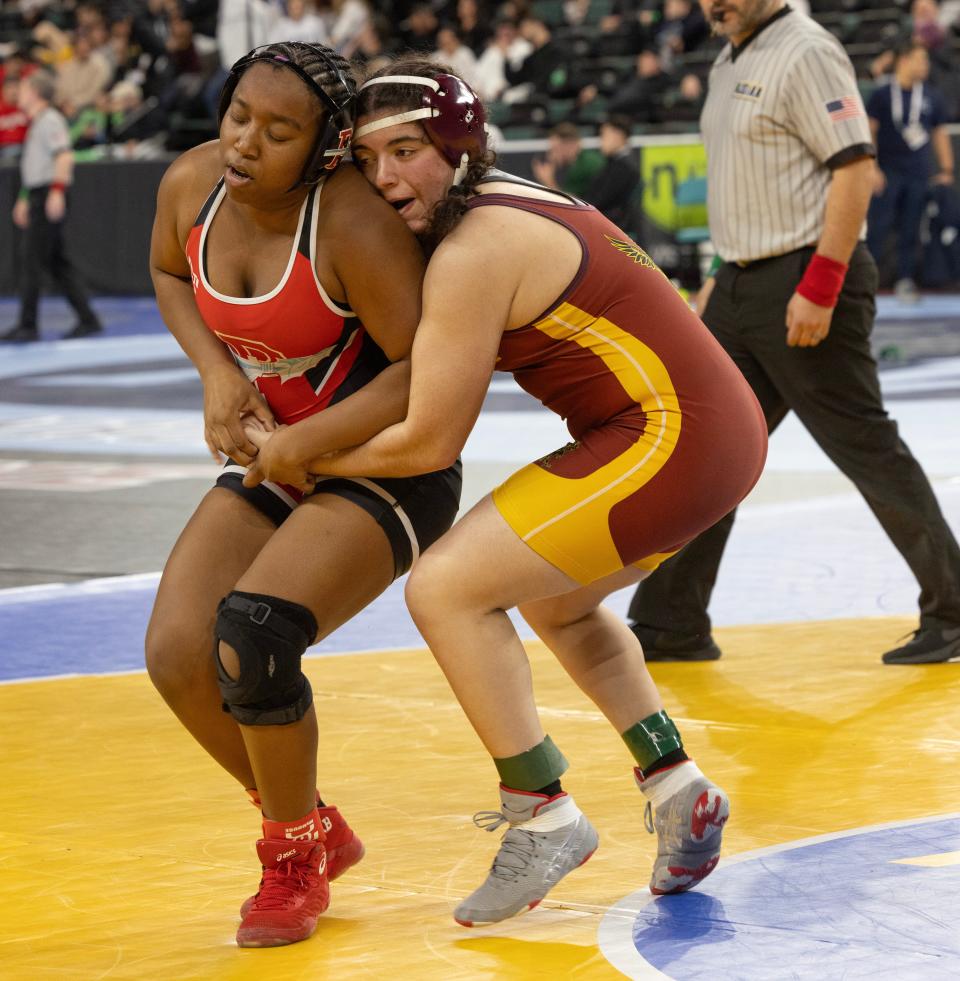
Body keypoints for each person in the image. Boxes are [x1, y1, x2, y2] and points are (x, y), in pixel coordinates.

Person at [242, 59, 768, 926]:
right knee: (560, 607)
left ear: (456, 147)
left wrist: (299, 456)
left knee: (446, 588)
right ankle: (678, 786)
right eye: (370, 160)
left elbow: (429, 442)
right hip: (706, 431)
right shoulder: (508, 196)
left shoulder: (473, 249)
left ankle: (540, 812)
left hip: (672, 435)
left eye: (407, 151)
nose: (387, 178)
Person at [145, 41, 462, 948]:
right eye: (240, 113)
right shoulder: (193, 185)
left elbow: (418, 371)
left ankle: (290, 858)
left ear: (324, 148)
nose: (246, 141)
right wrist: (214, 371)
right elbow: (170, 272)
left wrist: (306, 441)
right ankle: (313, 822)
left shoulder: (352, 222)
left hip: (388, 467)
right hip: (281, 459)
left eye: (279, 131)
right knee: (175, 652)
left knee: (254, 632)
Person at [625, 0, 960, 666]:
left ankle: (954, 608)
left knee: (863, 441)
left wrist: (822, 284)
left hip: (804, 276)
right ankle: (670, 621)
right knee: (710, 449)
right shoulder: (725, 60)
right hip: (741, 282)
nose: (714, 3)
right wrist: (719, 281)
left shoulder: (807, 50)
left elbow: (855, 169)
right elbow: (747, 188)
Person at [1, 69, 102, 342]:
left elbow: (64, 157)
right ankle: (87, 318)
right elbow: (38, 165)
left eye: (22, 89)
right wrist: (24, 198)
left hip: (47, 192)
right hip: (39, 191)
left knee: (32, 259)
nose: (16, 94)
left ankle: (28, 325)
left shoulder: (49, 121)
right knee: (56, 261)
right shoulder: (39, 122)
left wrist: (56, 192)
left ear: (34, 92)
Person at [866, 40, 954, 303]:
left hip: (918, 173)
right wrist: (871, 166)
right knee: (877, 228)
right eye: (920, 60)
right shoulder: (882, 94)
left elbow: (940, 133)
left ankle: (905, 280)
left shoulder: (931, 95)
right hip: (887, 172)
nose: (925, 66)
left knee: (911, 228)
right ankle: (865, 280)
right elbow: (869, 130)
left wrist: (947, 169)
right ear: (903, 60)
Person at [583, 113, 640, 231]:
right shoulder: (617, 164)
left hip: (611, 228)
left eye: (603, 135)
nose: (601, 142)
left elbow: (599, 201)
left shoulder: (623, 167)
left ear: (617, 135)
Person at [530, 120, 603, 199]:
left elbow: (577, 203)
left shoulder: (589, 163)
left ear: (570, 145)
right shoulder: (570, 165)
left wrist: (549, 182)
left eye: (555, 149)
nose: (551, 154)